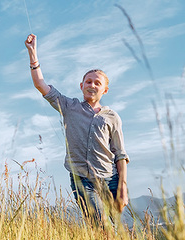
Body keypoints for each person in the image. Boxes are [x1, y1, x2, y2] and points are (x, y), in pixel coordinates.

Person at [24, 33, 129, 224]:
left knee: (112, 230)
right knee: (101, 226)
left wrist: (122, 187)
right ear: (81, 86)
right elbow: (40, 84)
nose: (92, 85)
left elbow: (120, 154)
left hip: (110, 180)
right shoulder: (69, 107)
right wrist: (33, 53)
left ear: (105, 90)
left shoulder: (112, 117)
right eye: (88, 81)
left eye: (97, 83)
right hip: (82, 179)